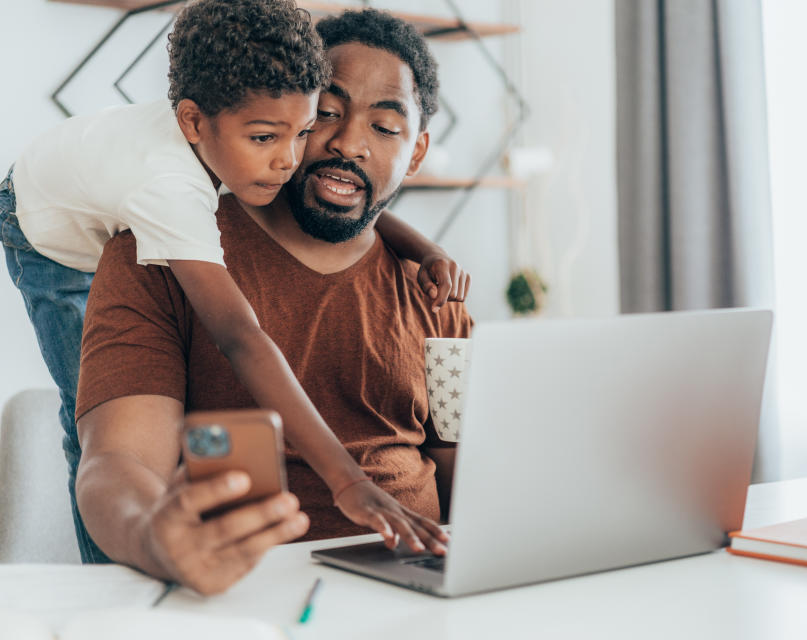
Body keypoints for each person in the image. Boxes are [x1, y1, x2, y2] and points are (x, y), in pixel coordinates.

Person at [0, 0, 468, 563]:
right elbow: (117, 466)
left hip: (417, 589)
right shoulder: (160, 249)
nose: (347, 142)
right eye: (326, 114)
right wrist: (153, 537)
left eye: (385, 126)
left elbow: (467, 467)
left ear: (416, 152)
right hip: (238, 592)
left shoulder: (434, 290)